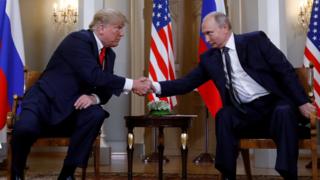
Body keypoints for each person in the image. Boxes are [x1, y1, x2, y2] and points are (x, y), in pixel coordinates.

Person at [152, 12, 316, 180]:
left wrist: (302, 102)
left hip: (273, 106)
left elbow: (285, 71)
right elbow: (186, 83)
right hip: (245, 113)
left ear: (224, 28)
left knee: (284, 110)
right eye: (205, 34)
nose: (207, 39)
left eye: (210, 33)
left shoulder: (255, 41)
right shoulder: (210, 58)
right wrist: (154, 86)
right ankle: (227, 174)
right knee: (224, 114)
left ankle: (289, 174)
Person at [11, 9, 150, 180]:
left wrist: (94, 98)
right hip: (44, 102)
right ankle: (17, 173)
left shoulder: (109, 54)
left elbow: (105, 87)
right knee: (25, 129)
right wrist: (132, 84)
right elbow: (93, 75)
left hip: (71, 108)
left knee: (96, 113)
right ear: (101, 28)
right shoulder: (79, 40)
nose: (121, 34)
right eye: (118, 28)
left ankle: (67, 174)